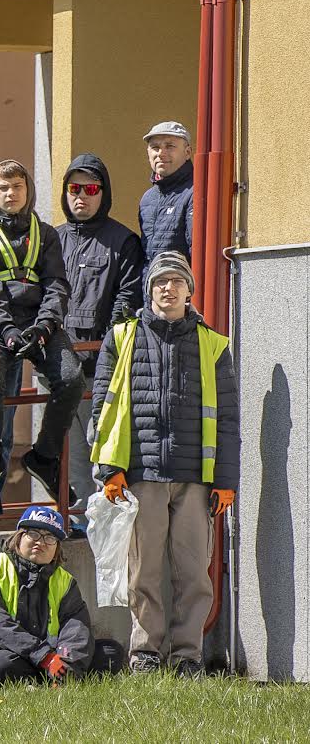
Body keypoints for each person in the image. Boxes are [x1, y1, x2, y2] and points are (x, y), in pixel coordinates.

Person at [90, 251, 238, 676]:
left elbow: (227, 418)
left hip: (196, 478)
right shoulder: (122, 338)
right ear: (148, 290)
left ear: (190, 290)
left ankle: (187, 655)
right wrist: (109, 469)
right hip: (141, 474)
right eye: (160, 282)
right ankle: (146, 653)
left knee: (194, 573)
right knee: (145, 572)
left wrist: (224, 480)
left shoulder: (212, 345)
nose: (167, 289)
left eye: (176, 282)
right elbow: (102, 408)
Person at [0, 158, 70, 546]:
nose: (10, 194)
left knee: (69, 378)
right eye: (3, 188)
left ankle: (44, 456)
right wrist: (5, 329)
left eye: (17, 187)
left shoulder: (46, 233)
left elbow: (56, 283)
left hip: (38, 319)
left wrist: (45, 325)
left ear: (27, 191)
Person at [45, 154, 145, 516]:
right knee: (67, 452)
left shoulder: (123, 242)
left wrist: (106, 348)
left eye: (90, 188)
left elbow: (128, 299)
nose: (81, 197)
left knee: (98, 450)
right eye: (74, 188)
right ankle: (79, 521)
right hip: (56, 368)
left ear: (104, 192)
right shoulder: (52, 238)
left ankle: (104, 522)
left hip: (98, 369)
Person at [0, 505, 96, 686]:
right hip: (0, 655)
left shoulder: (65, 581)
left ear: (57, 548)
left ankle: (57, 680)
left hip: (49, 659)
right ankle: (46, 681)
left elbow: (77, 629)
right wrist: (43, 656)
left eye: (50, 537)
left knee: (110, 652)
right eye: (34, 533)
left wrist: (67, 665)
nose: (41, 542)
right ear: (19, 537)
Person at [139, 120, 194, 261]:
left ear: (187, 152)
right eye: (155, 147)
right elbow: (146, 258)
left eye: (169, 146)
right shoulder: (148, 198)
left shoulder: (196, 192)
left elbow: (197, 254)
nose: (161, 153)